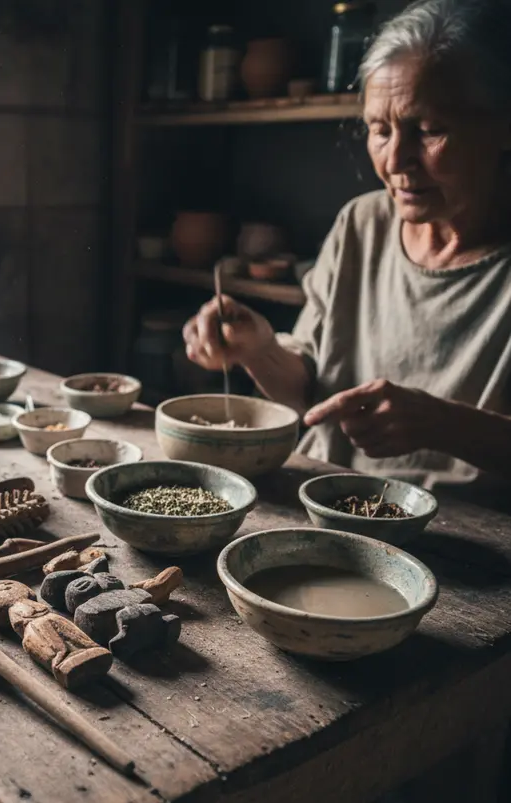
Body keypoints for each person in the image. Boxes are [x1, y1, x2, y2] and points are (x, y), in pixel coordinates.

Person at [183, 0, 511, 506]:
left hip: (471, 544)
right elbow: (310, 391)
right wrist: (259, 350)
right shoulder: (363, 223)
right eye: (380, 130)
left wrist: (446, 426)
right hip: (324, 501)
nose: (396, 160)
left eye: (429, 130)